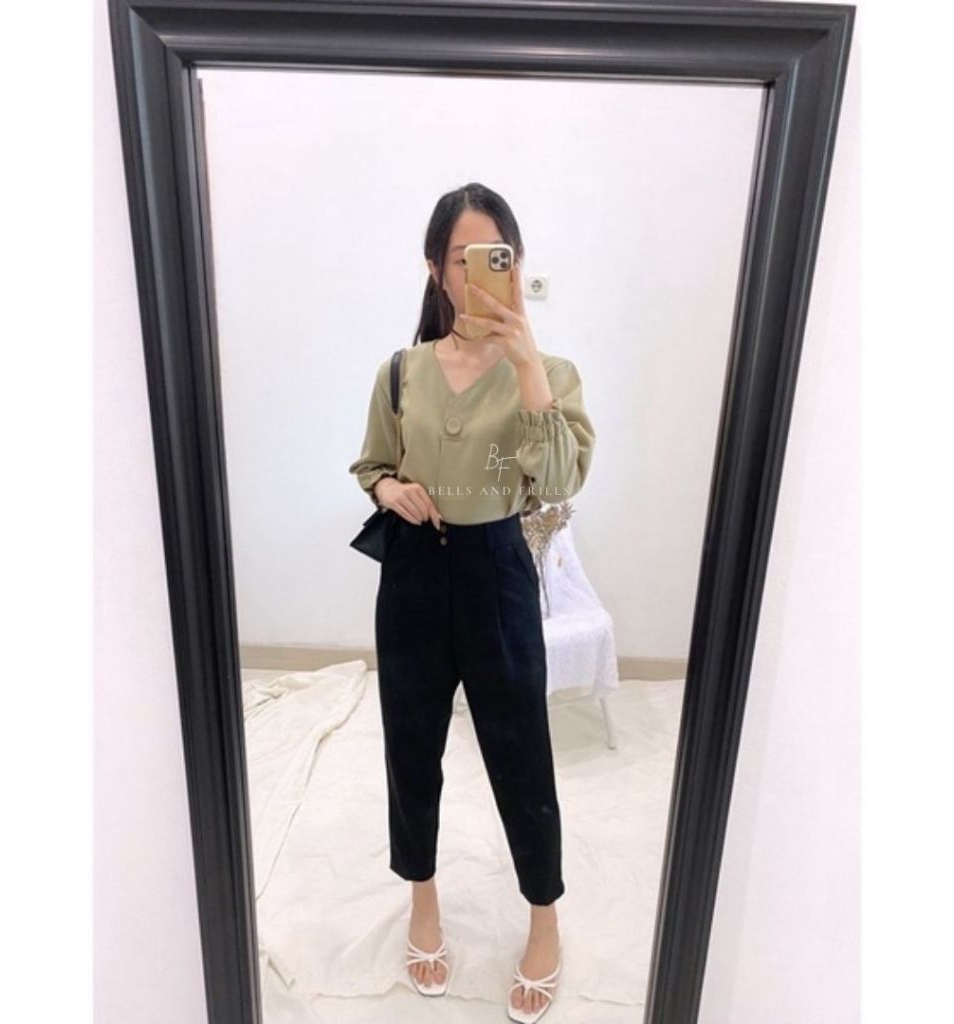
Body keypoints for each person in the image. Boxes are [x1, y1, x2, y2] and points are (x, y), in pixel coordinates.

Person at [348, 182, 595, 1023]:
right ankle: (422, 900)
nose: (481, 272)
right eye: (463, 258)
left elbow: (556, 481)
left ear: (516, 265)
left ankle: (543, 915)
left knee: (521, 752)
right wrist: (390, 490)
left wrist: (524, 362)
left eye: (498, 256)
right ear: (435, 270)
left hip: (497, 571)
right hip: (414, 573)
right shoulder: (400, 372)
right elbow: (371, 466)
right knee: (411, 748)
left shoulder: (551, 374)